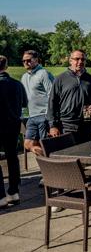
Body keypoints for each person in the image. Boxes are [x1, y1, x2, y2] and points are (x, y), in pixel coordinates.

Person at [47, 49, 91, 144]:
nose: (80, 62)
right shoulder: (60, 79)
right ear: (70, 60)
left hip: (86, 125)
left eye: (83, 59)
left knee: (87, 151)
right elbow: (52, 103)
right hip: (66, 125)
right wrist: (53, 126)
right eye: (77, 59)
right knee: (69, 152)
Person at [0, 55, 28, 208]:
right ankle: (14, 191)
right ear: (6, 66)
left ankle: (0, 196)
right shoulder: (17, 84)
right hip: (13, 125)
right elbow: (24, 103)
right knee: (12, 157)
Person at [20, 50, 54, 157]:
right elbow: (24, 98)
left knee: (45, 144)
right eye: (23, 61)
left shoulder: (43, 73)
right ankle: (49, 160)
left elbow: (52, 95)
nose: (26, 62)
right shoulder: (24, 77)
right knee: (28, 144)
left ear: (36, 60)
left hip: (44, 115)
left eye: (28, 60)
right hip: (31, 116)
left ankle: (52, 163)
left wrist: (50, 117)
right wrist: (24, 115)